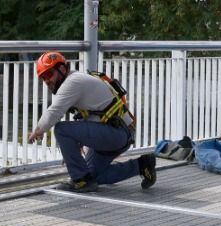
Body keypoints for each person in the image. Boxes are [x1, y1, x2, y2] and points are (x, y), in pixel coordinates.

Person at [25, 51, 155, 192]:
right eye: (43, 78)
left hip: (118, 132)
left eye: (49, 75)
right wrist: (74, 148)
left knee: (61, 129)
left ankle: (80, 181)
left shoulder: (73, 82)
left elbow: (54, 111)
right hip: (118, 132)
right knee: (93, 177)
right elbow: (97, 113)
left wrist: (37, 131)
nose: (46, 81)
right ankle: (142, 165)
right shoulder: (77, 80)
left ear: (61, 69)